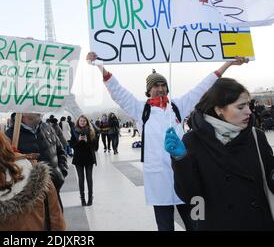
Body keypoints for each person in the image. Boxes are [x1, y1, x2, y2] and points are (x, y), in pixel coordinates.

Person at [86, 51, 249, 231]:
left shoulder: (178, 106)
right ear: (148, 90)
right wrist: (100, 66)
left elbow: (202, 88)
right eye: (156, 85)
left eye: (163, 84)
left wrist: (227, 65)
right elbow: (118, 92)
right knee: (165, 227)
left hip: (187, 177)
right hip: (159, 179)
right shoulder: (141, 110)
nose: (160, 88)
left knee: (197, 223)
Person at [165, 78, 274, 230]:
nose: (249, 111)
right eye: (241, 107)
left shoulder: (257, 137)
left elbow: (271, 179)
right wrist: (180, 159)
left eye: (248, 105)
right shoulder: (193, 141)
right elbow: (192, 196)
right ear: (219, 110)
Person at [5, 113, 68, 210]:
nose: (39, 110)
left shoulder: (47, 127)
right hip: (30, 198)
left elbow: (60, 151)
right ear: (22, 113)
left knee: (57, 222)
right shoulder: (10, 135)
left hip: (54, 188)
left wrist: (61, 172)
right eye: (33, 107)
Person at [71, 115, 98, 206]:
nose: (82, 122)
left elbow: (95, 146)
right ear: (78, 122)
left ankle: (90, 198)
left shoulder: (91, 131)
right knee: (81, 179)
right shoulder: (74, 131)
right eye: (81, 121)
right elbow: (71, 145)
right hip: (78, 158)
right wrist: (78, 140)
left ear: (87, 122)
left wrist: (87, 141)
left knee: (89, 178)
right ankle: (82, 199)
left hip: (89, 157)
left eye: (84, 121)